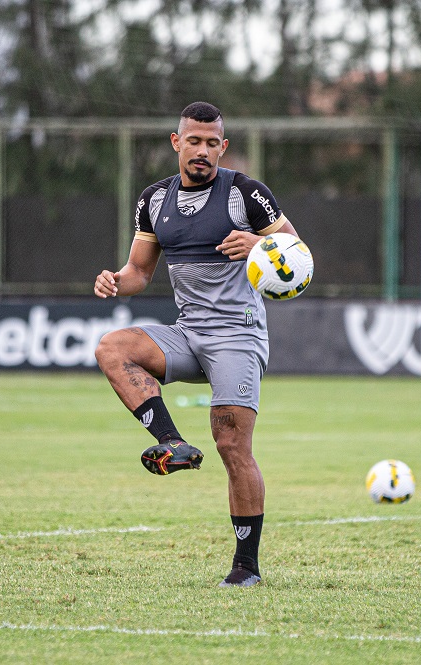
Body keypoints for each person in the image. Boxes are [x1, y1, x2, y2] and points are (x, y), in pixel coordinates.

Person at [94, 102, 301, 587]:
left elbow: (299, 253)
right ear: (176, 142)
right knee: (111, 347)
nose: (203, 151)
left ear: (223, 148)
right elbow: (140, 273)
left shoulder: (247, 194)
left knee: (232, 445)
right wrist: (114, 281)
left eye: (212, 143)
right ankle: (171, 443)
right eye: (194, 141)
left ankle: (246, 566)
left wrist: (260, 246)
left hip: (237, 334)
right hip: (188, 332)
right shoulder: (154, 200)